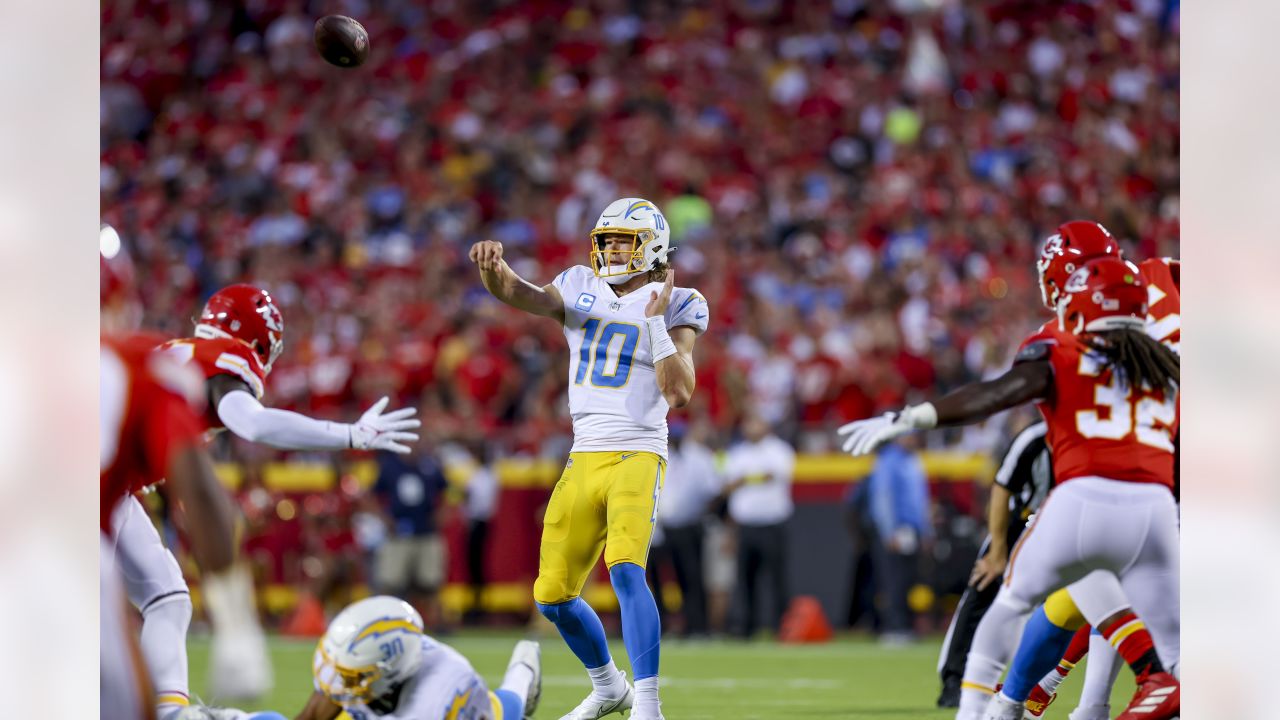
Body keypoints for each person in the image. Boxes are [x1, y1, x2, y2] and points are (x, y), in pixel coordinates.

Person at [838, 256, 1180, 720]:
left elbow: (996, 393)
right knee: (1171, 645)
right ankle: (1122, 693)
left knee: (1014, 600)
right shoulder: (1165, 366)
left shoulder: (1062, 350)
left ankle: (993, 708)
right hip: (1158, 507)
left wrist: (914, 416)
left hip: (1086, 497)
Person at [112, 283, 421, 715]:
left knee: (168, 598)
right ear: (258, 339)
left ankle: (169, 712)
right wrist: (350, 434)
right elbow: (250, 423)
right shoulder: (221, 360)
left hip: (101, 485)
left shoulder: (174, 350)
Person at [469, 196, 707, 720]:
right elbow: (522, 294)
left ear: (653, 245)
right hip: (584, 453)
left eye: (624, 240)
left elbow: (680, 393)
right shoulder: (580, 284)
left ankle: (648, 702)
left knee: (625, 568)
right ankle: (608, 687)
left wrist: (655, 324)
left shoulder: (680, 299)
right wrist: (495, 270)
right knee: (552, 596)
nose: (613, 250)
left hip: (638, 450)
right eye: (608, 240)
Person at [100, 333, 249, 720]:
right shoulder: (142, 365)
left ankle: (171, 709)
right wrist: (238, 625)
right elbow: (198, 490)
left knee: (168, 597)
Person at [935, 418, 1051, 707]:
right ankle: (956, 680)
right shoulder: (1035, 438)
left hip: (1069, 525)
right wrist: (998, 550)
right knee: (982, 590)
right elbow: (1001, 489)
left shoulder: (1099, 432)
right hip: (1023, 520)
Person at [722, 413, 796, 640]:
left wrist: (744, 480)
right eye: (748, 423)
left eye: (756, 422)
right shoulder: (737, 453)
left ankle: (781, 628)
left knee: (777, 579)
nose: (752, 427)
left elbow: (774, 475)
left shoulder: (780, 450)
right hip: (745, 525)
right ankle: (746, 628)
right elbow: (728, 486)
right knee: (746, 580)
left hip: (773, 523)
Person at [859, 436, 932, 644]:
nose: (912, 439)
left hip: (913, 530)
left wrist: (926, 531)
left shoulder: (913, 460)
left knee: (909, 579)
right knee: (893, 579)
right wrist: (889, 531)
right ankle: (893, 627)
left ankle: (906, 626)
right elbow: (883, 497)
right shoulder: (888, 460)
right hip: (897, 530)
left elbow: (920, 499)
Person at [653, 420, 721, 638]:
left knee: (691, 577)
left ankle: (697, 626)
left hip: (690, 525)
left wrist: (703, 515)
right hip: (661, 526)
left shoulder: (700, 457)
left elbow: (712, 491)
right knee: (657, 578)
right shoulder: (659, 453)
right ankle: (660, 627)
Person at [373, 445, 451, 630]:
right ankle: (385, 620)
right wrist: (385, 519)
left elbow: (448, 491)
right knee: (391, 581)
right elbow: (372, 495)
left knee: (430, 581)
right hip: (398, 534)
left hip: (426, 531)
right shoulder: (389, 466)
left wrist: (442, 514)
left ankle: (434, 622)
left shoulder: (430, 465)